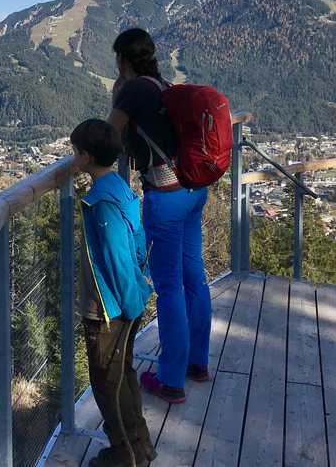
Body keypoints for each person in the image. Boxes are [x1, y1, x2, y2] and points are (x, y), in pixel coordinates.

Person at [108, 28, 210, 405]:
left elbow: (108, 136)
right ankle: (198, 364)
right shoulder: (163, 84)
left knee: (168, 288)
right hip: (193, 189)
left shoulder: (134, 90)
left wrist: (117, 92)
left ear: (123, 59)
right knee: (193, 275)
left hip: (165, 197)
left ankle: (170, 381)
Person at [70, 119, 155, 467]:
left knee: (107, 384)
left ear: (86, 156)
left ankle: (126, 455)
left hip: (109, 309)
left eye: (74, 152)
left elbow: (117, 256)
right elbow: (136, 243)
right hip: (126, 301)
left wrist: (131, 303)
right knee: (123, 377)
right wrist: (140, 285)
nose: (72, 158)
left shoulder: (101, 203)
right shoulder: (119, 188)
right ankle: (140, 445)